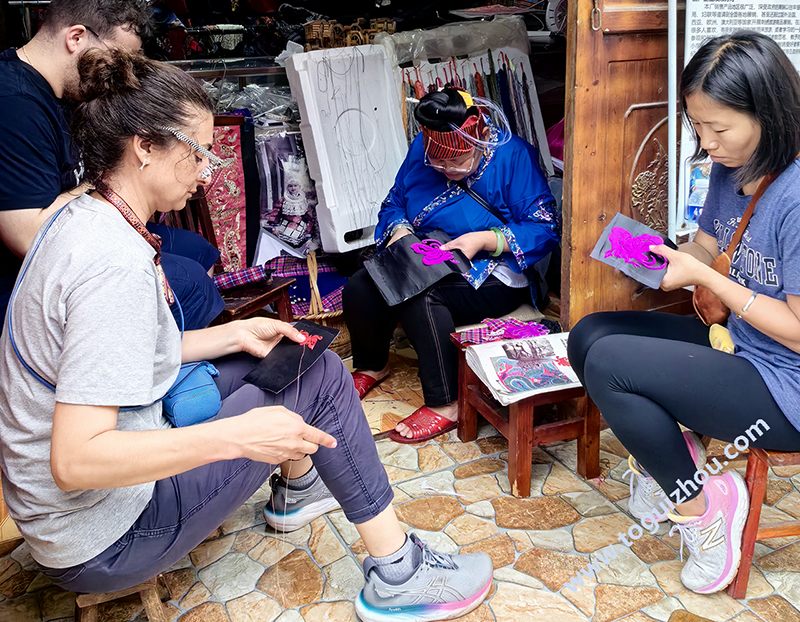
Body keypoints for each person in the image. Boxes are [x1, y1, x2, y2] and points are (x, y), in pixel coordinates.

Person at [0, 48, 492, 622]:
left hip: (74, 517)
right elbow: (76, 461)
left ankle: (304, 487)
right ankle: (398, 572)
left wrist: (232, 336)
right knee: (327, 383)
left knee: (304, 359)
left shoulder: (84, 213)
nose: (209, 171)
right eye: (199, 153)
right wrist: (239, 439)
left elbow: (112, 359)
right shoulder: (111, 264)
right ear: (145, 147)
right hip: (106, 536)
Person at [567, 31, 800, 595]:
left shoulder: (796, 197)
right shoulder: (733, 166)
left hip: (788, 388)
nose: (707, 142)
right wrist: (662, 258)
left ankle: (702, 509)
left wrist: (706, 276)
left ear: (768, 114)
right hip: (739, 344)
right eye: (698, 126)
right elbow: (704, 244)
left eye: (718, 128)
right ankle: (676, 459)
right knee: (589, 335)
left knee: (613, 364)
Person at [343, 88, 560, 443]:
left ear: (481, 138)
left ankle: (447, 403)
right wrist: (399, 231)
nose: (446, 170)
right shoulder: (422, 149)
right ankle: (372, 365)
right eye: (439, 164)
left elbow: (543, 226)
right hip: (430, 254)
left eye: (457, 163)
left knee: (421, 294)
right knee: (362, 286)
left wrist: (484, 240)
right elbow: (396, 200)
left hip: (496, 268)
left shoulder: (512, 154)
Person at [0, 0, 224, 330]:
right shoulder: (14, 105)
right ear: (76, 38)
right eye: (117, 58)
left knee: (199, 250)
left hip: (84, 226)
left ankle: (167, 357)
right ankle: (156, 366)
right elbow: (30, 238)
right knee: (191, 284)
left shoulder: (67, 92)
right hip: (23, 278)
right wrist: (111, 180)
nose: (118, 73)